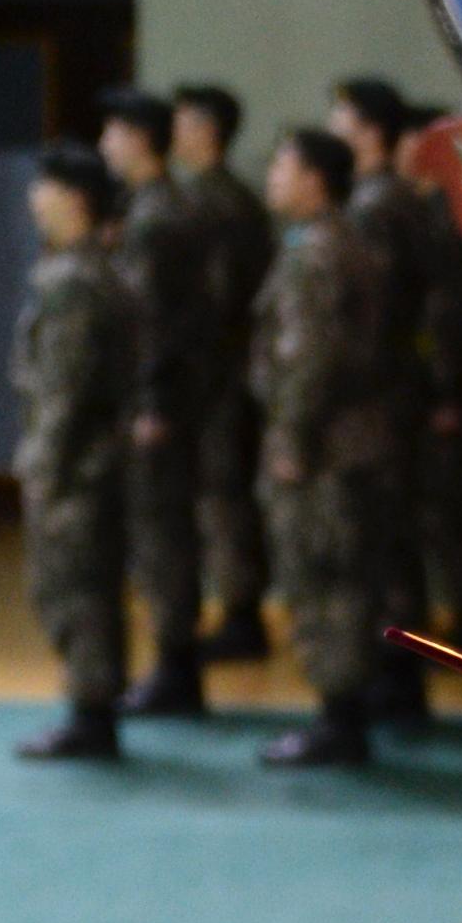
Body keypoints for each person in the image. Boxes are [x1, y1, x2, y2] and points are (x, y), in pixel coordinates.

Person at [249, 122, 392, 767]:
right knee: (345, 577)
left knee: (323, 581)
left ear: (313, 180)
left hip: (324, 448)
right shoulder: (337, 241)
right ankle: (345, 712)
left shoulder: (317, 253)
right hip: (350, 442)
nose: (273, 180)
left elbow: (310, 360)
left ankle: (338, 719)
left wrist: (291, 439)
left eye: (282, 168)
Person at [332, 75, 462, 682]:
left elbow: (410, 309)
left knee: (406, 523)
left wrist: (440, 385)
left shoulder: (380, 207)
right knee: (402, 523)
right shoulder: (385, 201)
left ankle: (403, 662)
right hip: (399, 387)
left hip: (391, 390)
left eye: (342, 116)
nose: (333, 126)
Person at [92, 85, 218, 717]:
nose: (103, 146)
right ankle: (175, 662)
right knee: (163, 532)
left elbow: (154, 325)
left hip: (160, 404)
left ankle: (175, 665)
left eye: (112, 132)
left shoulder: (155, 217)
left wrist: (149, 406)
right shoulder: (159, 206)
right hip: (173, 395)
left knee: (160, 534)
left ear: (138, 139)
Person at [12, 136, 136, 759]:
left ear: (75, 200)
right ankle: (94, 707)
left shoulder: (73, 280)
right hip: (99, 458)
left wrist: (44, 468)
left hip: (77, 464)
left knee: (74, 588)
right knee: (87, 585)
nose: (35, 199)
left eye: (46, 187)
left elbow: (64, 389)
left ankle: (91, 713)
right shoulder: (96, 269)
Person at [170, 85, 278, 661]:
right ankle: (238, 608)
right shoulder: (211, 197)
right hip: (218, 375)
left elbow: (219, 302)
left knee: (223, 495)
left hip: (221, 378)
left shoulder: (218, 204)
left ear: (208, 131)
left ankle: (241, 613)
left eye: (184, 123)